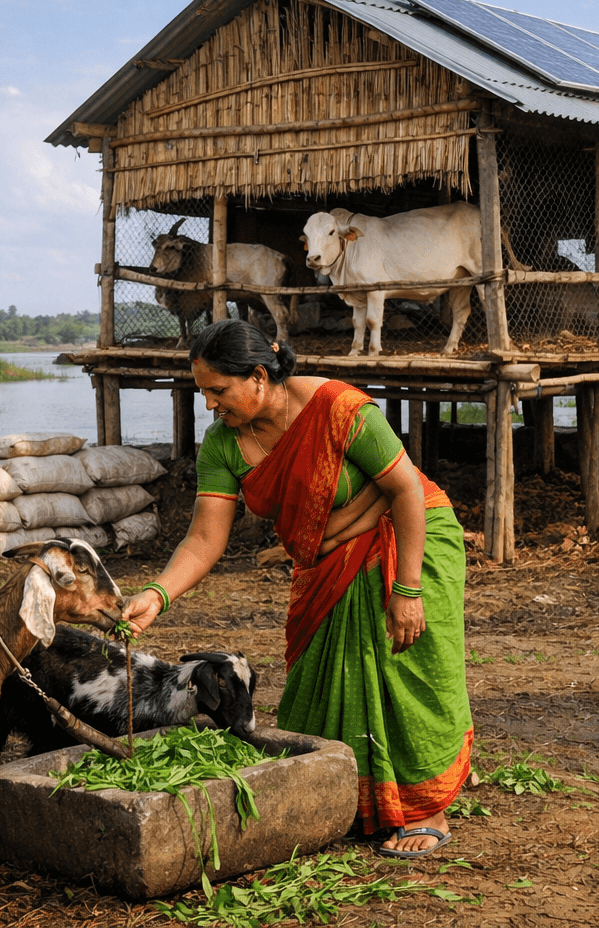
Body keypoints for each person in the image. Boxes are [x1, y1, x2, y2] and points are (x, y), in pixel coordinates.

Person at [120, 319, 472, 856]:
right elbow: (204, 538)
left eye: (218, 391)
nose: (210, 406)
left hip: (406, 543)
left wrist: (407, 591)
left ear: (259, 377)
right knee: (318, 688)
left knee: (399, 675)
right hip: (324, 564)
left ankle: (427, 808)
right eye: (203, 393)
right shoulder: (224, 446)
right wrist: (157, 594)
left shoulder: (339, 409)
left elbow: (404, 490)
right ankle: (345, 800)